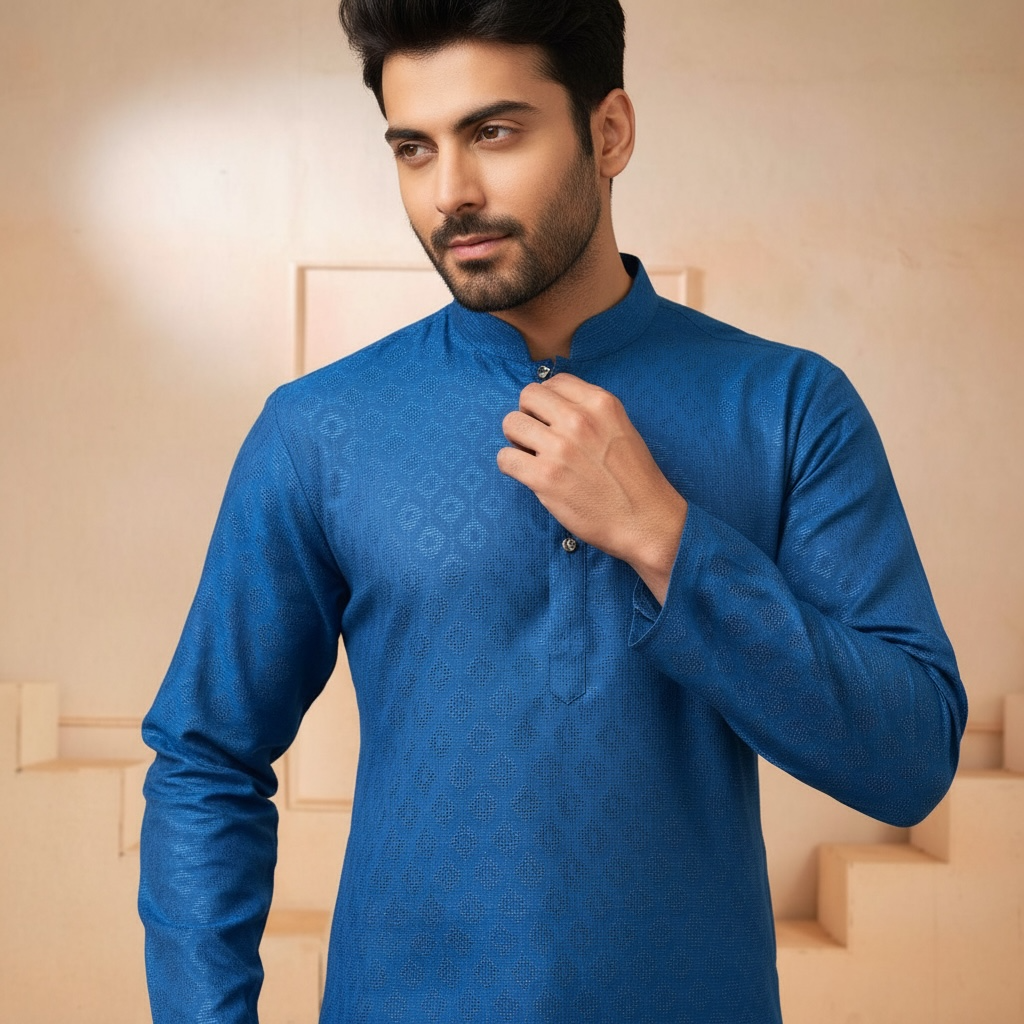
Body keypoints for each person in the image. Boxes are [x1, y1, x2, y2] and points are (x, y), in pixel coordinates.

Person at [138, 1, 968, 1021]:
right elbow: (206, 759)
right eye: (413, 148)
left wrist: (667, 539)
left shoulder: (788, 406)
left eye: (494, 132)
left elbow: (909, 762)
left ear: (608, 132)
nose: (451, 192)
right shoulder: (321, 430)